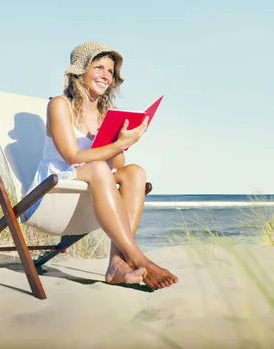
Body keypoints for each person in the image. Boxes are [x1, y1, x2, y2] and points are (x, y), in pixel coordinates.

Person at [25, 41, 178, 290]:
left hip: (89, 190)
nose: (106, 76)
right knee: (98, 168)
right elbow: (72, 156)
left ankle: (116, 263)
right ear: (80, 71)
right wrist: (117, 145)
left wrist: (125, 140)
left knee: (135, 172)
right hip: (54, 190)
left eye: (110, 71)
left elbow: (118, 163)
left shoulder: (107, 112)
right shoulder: (59, 105)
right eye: (99, 67)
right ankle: (138, 258)